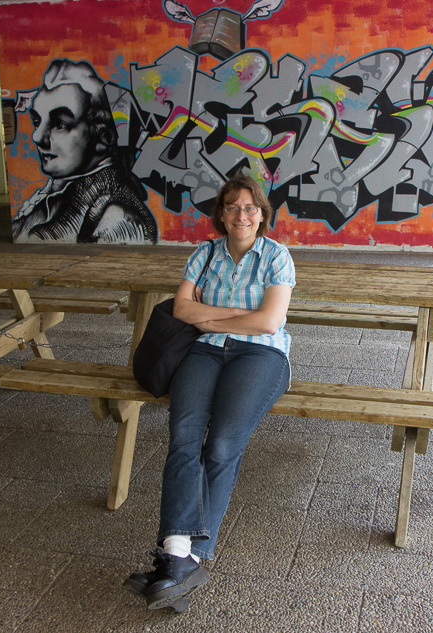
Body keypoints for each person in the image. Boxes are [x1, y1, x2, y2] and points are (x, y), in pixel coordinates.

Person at [124, 172, 295, 610]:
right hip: (203, 352)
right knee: (183, 441)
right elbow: (182, 308)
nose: (242, 214)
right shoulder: (204, 253)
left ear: (262, 214)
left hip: (260, 357)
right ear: (221, 213)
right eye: (233, 206)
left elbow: (268, 323)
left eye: (250, 207)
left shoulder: (277, 256)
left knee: (220, 445)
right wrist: (234, 314)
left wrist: (211, 316)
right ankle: (180, 557)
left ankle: (182, 559)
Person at [12, 59, 157, 243]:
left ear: (102, 139)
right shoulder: (51, 199)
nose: (37, 137)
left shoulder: (117, 217)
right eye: (36, 122)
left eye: (60, 124)